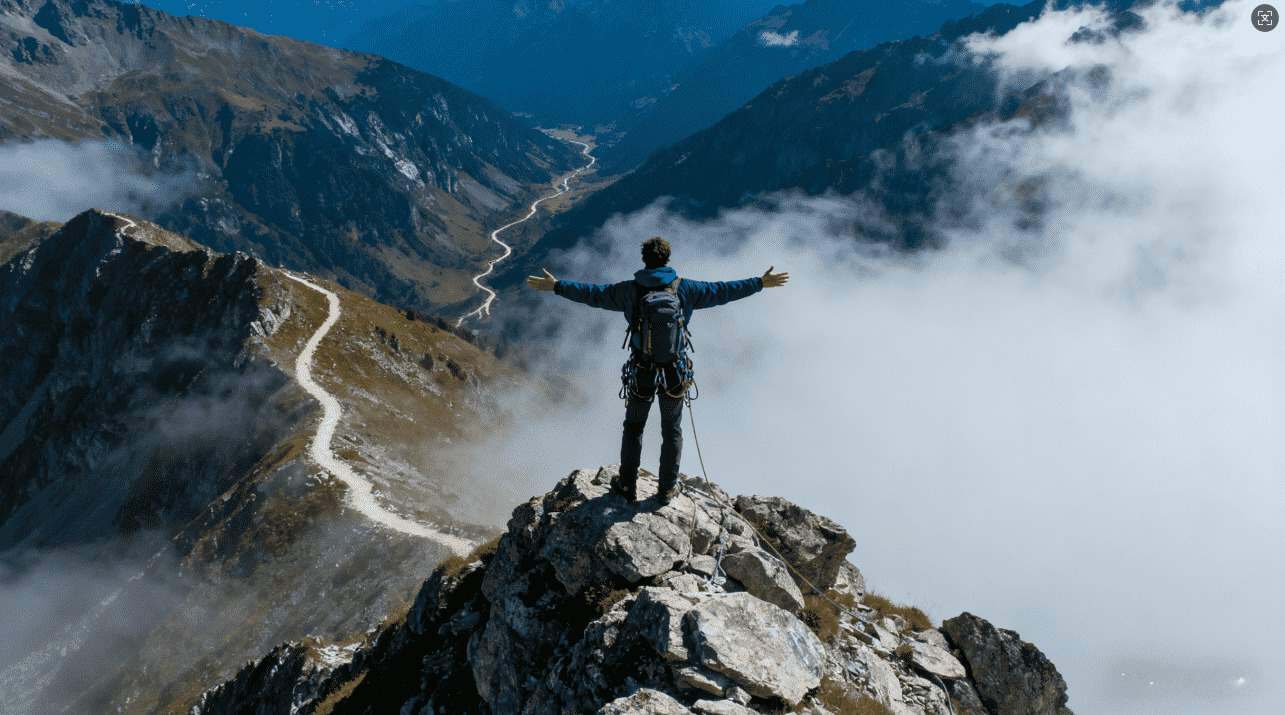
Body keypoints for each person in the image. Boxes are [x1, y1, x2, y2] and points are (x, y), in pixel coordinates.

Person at [527, 236, 788, 504]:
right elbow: (723, 291)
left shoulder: (629, 290)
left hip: (642, 370)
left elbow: (593, 294)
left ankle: (627, 485)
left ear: (645, 260)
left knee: (634, 427)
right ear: (667, 259)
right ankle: (666, 489)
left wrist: (557, 286)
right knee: (672, 429)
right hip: (675, 372)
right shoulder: (685, 289)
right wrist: (760, 283)